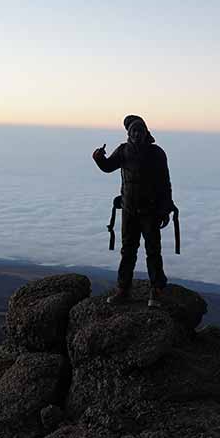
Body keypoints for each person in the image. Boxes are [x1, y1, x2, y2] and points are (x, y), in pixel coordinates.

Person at [92, 114, 174, 307]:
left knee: (153, 251)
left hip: (151, 211)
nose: (137, 134)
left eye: (140, 130)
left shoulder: (156, 153)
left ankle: (157, 290)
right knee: (127, 251)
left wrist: (165, 208)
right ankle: (123, 289)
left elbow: (165, 182)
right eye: (133, 131)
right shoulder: (123, 151)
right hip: (129, 210)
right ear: (129, 133)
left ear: (146, 133)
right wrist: (98, 158)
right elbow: (108, 167)